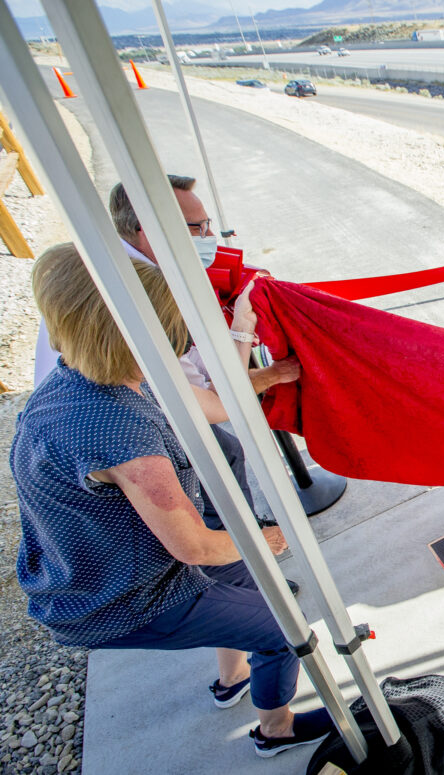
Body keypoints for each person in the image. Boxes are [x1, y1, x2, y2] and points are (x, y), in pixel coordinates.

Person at [12, 244, 328, 758]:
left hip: (105, 562)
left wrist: (266, 365)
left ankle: (232, 679)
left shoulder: (79, 381)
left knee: (248, 580)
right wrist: (271, 538)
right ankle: (276, 729)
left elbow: (212, 405)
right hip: (122, 596)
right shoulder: (119, 429)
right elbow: (194, 547)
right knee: (282, 624)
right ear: (133, 336)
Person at [35, 175, 298, 531]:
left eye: (207, 225)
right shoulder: (138, 294)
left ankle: (240, 534)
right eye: (197, 228)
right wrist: (246, 334)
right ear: (150, 231)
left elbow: (198, 364)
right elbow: (212, 405)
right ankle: (239, 547)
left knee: (226, 454)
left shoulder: (122, 265)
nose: (209, 236)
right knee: (209, 476)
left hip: (110, 410)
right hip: (117, 428)